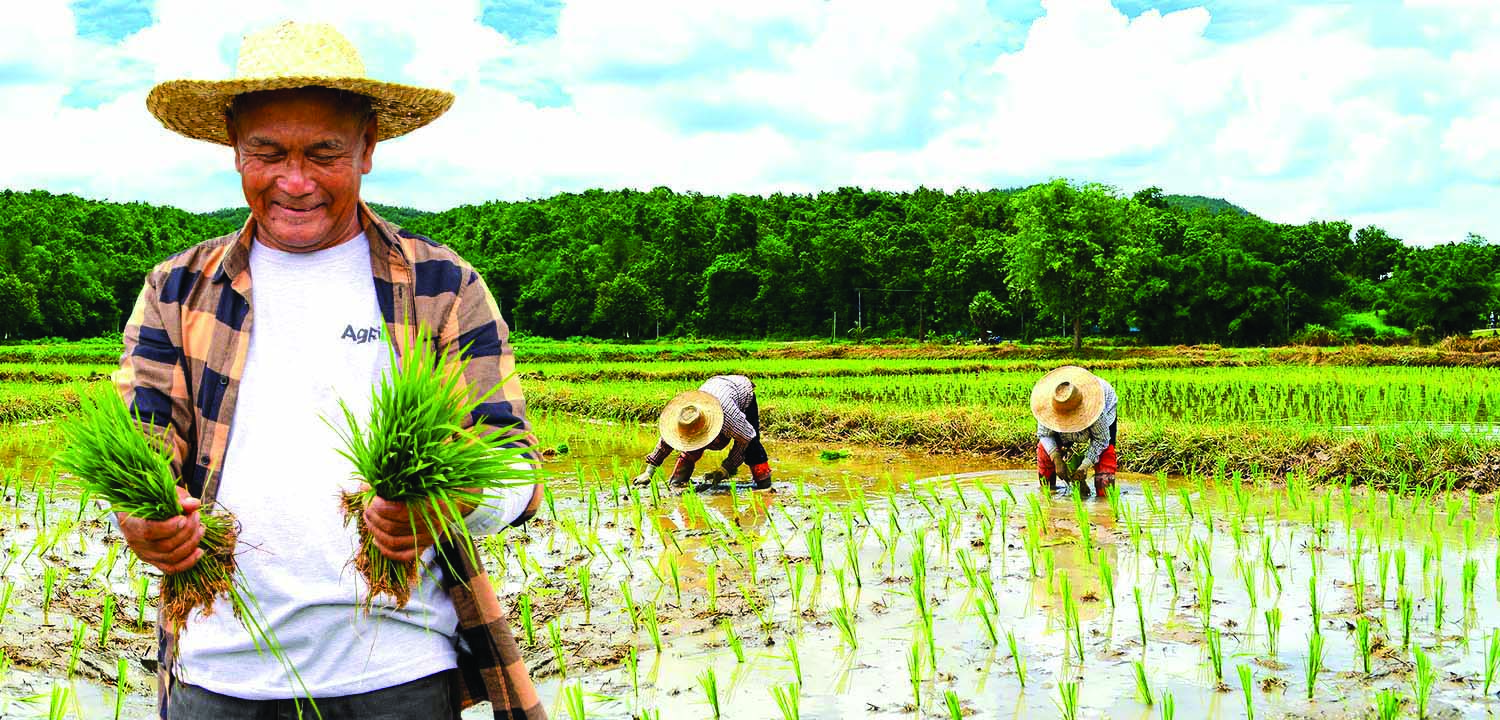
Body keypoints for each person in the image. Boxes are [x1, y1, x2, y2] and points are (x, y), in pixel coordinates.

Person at [115, 21, 544, 720]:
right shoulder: (176, 289)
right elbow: (142, 452)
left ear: (368, 146)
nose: (295, 181)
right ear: (233, 146)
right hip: (219, 676)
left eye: (324, 153)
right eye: (267, 152)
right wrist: (143, 518)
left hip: (401, 673)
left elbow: (518, 475)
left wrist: (449, 502)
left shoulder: (440, 284)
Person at [632, 375, 773, 490]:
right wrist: (649, 472)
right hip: (712, 388)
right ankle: (677, 483)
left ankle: (764, 482)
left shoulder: (730, 420)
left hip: (740, 390)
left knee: (752, 446)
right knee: (691, 446)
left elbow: (747, 437)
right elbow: (666, 442)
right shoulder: (685, 416)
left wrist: (726, 468)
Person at [1032, 365, 1118, 496]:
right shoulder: (1048, 405)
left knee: (1106, 457)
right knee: (1045, 451)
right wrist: (1056, 459)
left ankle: (1104, 496)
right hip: (1060, 416)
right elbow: (1045, 435)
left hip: (1101, 409)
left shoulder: (1096, 408)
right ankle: (1048, 493)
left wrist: (1084, 467)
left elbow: (1101, 440)